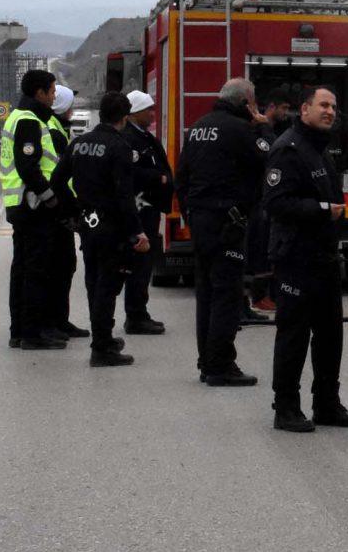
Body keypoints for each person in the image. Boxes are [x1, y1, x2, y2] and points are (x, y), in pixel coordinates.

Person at [264, 85, 348, 432]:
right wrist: (323, 210)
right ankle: (286, 407)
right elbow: (275, 203)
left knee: (329, 335)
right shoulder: (288, 149)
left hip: (323, 258)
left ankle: (326, 404)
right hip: (295, 257)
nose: (330, 111)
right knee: (293, 335)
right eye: (323, 105)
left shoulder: (320, 149)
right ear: (304, 110)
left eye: (334, 106)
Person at [173, 76, 267, 386]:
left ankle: (207, 359)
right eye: (252, 103)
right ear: (245, 103)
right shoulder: (240, 129)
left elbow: (182, 175)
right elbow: (269, 160)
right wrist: (262, 126)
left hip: (201, 221)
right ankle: (220, 366)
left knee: (206, 293)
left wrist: (190, 211)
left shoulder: (199, 127)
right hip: (228, 221)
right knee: (227, 294)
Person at [66, 92, 148, 367]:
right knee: (108, 286)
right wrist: (137, 231)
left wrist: (73, 212)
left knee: (93, 283)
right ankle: (102, 347)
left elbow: (57, 181)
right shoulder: (119, 146)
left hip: (87, 223)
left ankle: (103, 339)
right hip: (111, 226)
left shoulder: (79, 143)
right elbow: (125, 195)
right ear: (124, 118)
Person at [0, 69, 71, 349]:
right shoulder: (29, 121)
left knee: (22, 270)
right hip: (33, 206)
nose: (54, 97)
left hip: (22, 204)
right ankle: (32, 333)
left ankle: (20, 330)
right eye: (52, 91)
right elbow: (28, 167)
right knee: (36, 271)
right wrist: (50, 197)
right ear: (39, 92)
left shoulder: (18, 117)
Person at [243, 86, 298, 320]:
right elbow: (272, 153)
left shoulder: (277, 129)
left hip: (266, 200)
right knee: (258, 250)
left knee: (267, 248)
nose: (286, 113)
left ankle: (267, 295)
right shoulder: (258, 131)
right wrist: (264, 125)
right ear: (271, 107)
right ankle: (257, 297)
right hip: (255, 200)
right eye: (283, 108)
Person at [122, 90, 172, 336]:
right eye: (148, 110)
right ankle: (135, 315)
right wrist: (158, 177)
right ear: (134, 113)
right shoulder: (130, 139)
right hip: (140, 209)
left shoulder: (144, 137)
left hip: (149, 208)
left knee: (144, 264)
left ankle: (140, 312)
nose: (153, 114)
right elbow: (131, 172)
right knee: (138, 264)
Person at [47, 84, 86, 339]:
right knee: (58, 267)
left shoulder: (58, 128)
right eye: (70, 104)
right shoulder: (54, 132)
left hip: (61, 205)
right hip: (57, 207)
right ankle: (55, 321)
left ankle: (61, 320)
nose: (73, 108)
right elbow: (59, 174)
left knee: (65, 266)